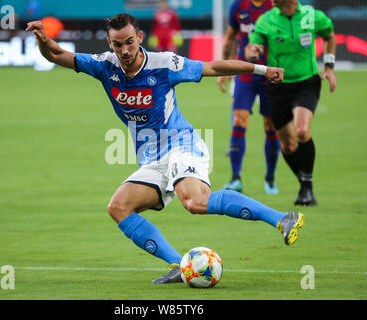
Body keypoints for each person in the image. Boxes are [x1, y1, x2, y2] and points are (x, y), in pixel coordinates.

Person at [27, 13, 304, 285]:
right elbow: (55, 55)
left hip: (182, 144)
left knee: (195, 202)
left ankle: (283, 219)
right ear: (109, 43)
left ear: (140, 38)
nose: (124, 50)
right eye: (117, 44)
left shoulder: (164, 64)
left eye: (129, 42)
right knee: (119, 207)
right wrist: (43, 39)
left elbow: (213, 67)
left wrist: (262, 70)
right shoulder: (104, 65)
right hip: (153, 158)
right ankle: (179, 265)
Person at [246, 0, 336, 206]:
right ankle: (305, 184)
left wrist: (329, 66)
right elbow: (254, 45)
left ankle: (307, 186)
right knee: (287, 146)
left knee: (302, 131)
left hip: (307, 82)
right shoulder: (266, 19)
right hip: (278, 86)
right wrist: (253, 51)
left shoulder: (312, 16)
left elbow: (330, 36)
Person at [217, 0, 280, 194]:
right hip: (245, 73)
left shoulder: (274, 6)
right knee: (239, 120)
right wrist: (223, 70)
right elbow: (230, 39)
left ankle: (270, 178)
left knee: (270, 124)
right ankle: (235, 178)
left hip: (269, 74)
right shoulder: (238, 6)